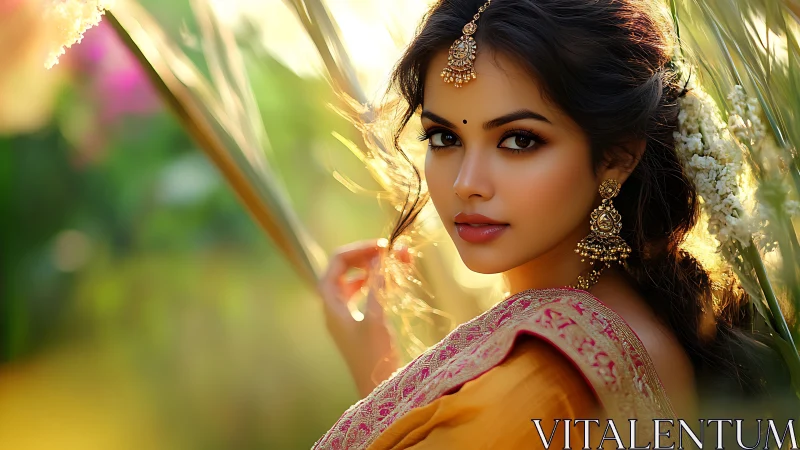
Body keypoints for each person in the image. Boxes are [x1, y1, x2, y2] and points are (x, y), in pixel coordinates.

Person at [312, 0, 791, 448]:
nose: (466, 183)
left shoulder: (552, 375)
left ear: (616, 158)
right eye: (443, 137)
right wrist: (382, 380)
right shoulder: (634, 326)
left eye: (519, 140)